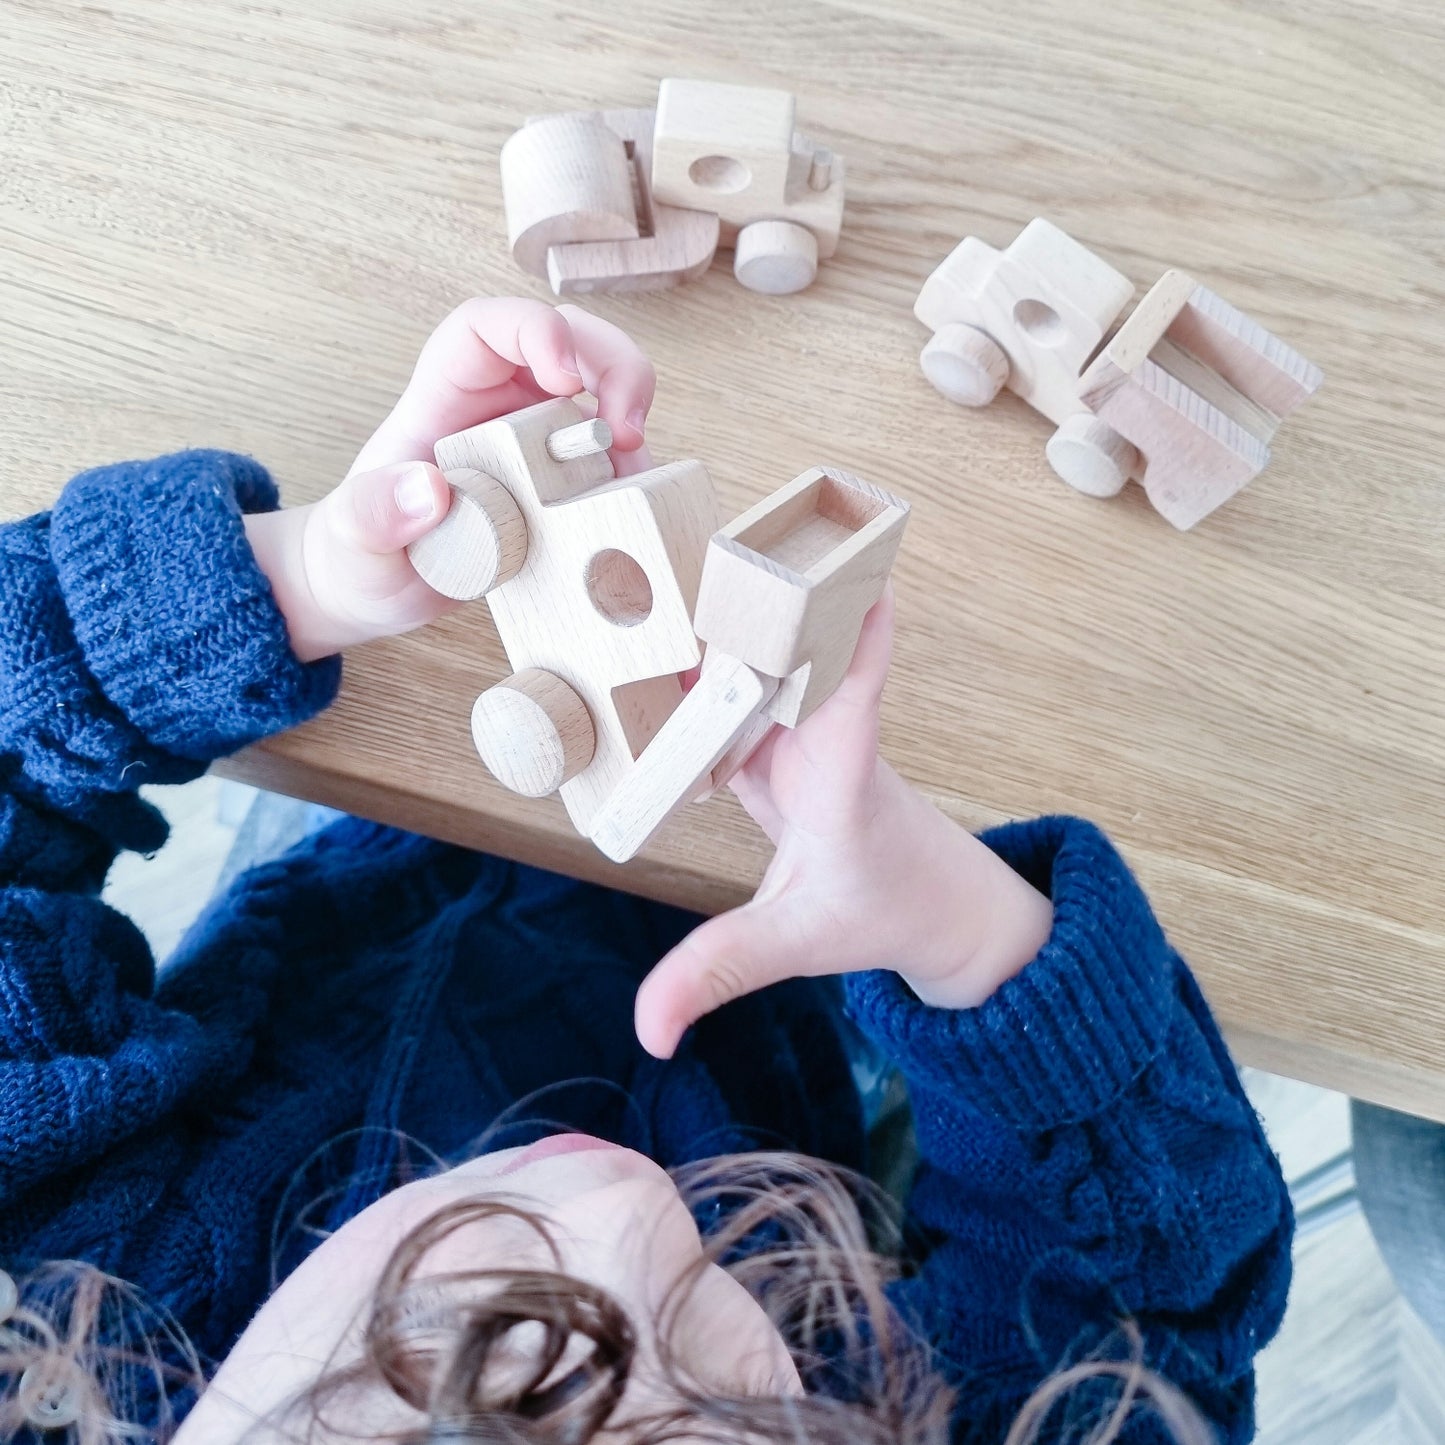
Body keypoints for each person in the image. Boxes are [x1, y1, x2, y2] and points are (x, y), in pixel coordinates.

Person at [0, 298, 1292, 1445]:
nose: (619, 1213)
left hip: (344, 903)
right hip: (806, 1002)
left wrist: (294, 577)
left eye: (428, 1396)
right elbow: (1148, 1315)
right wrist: (955, 936)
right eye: (733, 1406)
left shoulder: (43, 1296)